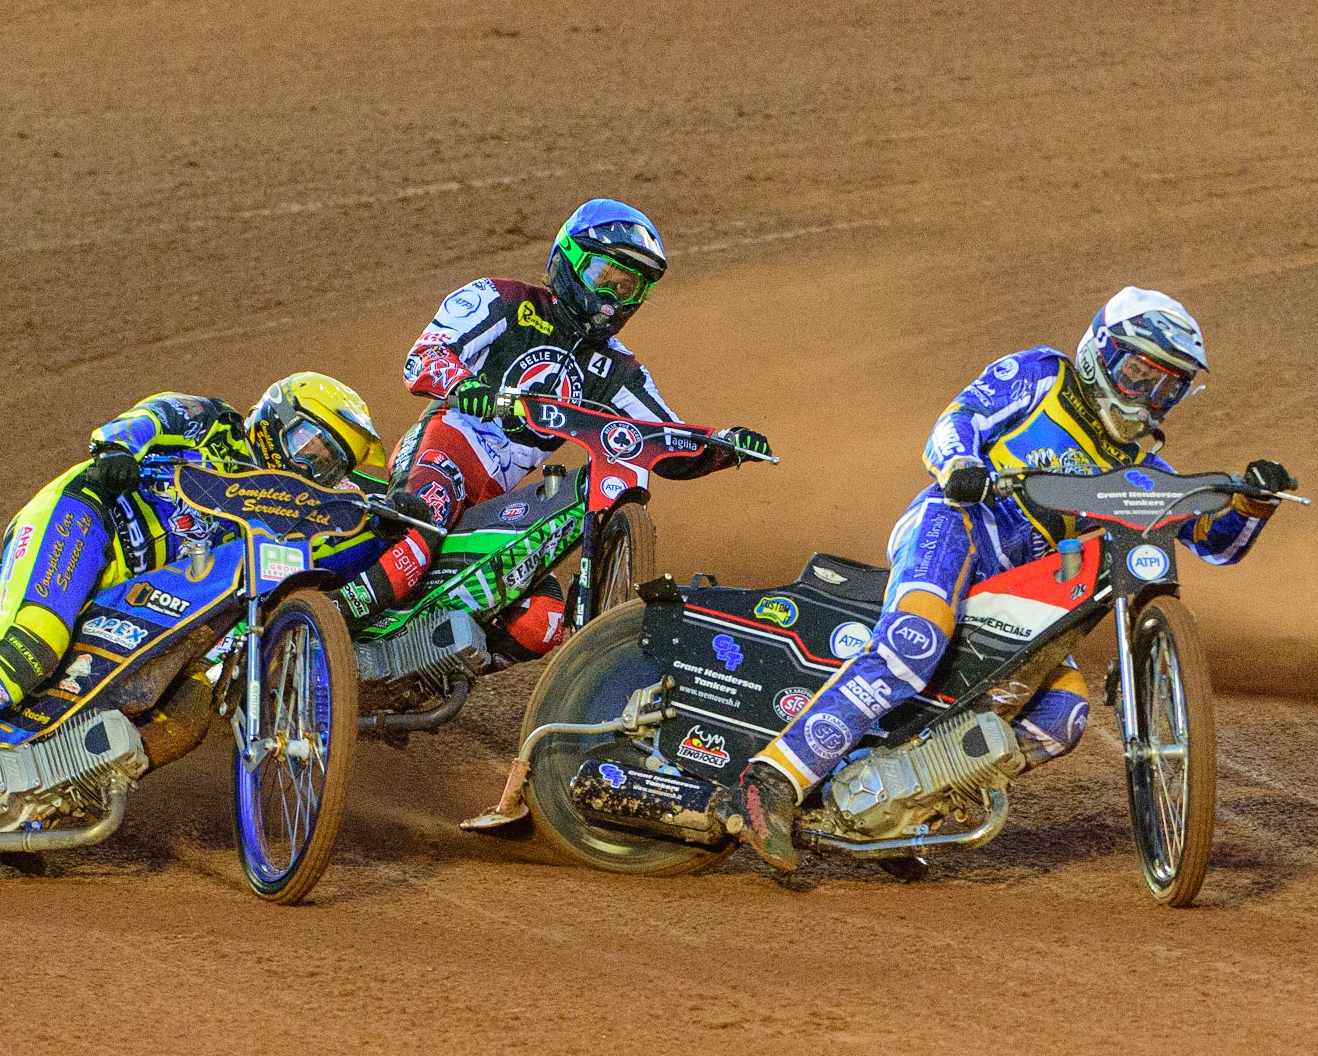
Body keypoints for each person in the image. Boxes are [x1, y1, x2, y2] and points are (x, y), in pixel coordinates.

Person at [720, 286, 1297, 871]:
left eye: (1167, 387)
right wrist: (962, 464)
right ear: (1100, 354)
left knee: (1063, 716)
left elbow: (1215, 543)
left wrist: (1253, 503)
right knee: (913, 642)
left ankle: (897, 807)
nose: (1148, 398)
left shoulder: (1144, 475)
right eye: (1139, 374)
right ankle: (769, 781)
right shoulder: (1044, 377)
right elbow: (958, 418)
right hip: (957, 524)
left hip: (1029, 592)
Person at [0, 372, 390, 854]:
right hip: (85, 518)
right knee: (31, 643)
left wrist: (387, 522)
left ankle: (30, 795)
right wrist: (118, 448)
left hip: (138, 604)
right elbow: (152, 415)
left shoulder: (280, 519)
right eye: (310, 441)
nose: (310, 464)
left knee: (187, 714)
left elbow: (338, 554)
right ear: (276, 415)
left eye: (327, 462)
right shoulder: (215, 422)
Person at [332, 197, 770, 660]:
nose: (613, 300)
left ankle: (427, 672)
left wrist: (723, 447)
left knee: (542, 622)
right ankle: (331, 624)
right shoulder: (501, 300)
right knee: (428, 515)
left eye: (630, 288)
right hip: (445, 448)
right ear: (568, 261)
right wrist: (465, 384)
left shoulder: (617, 370)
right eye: (606, 278)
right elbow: (422, 358)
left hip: (500, 498)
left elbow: (665, 437)